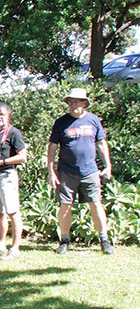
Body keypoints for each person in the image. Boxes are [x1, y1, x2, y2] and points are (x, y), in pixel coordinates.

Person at [47, 88, 115, 255]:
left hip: (90, 171)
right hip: (66, 173)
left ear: (84, 103)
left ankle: (104, 240)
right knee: (65, 206)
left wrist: (108, 165)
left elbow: (101, 144)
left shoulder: (93, 120)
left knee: (95, 204)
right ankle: (64, 240)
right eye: (70, 101)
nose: (72, 104)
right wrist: (51, 171)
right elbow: (52, 148)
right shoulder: (61, 122)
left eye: (76, 101)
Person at [0, 102, 27, 259]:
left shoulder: (14, 133)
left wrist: (2, 162)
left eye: (1, 114)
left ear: (9, 115)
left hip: (7, 175)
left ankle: (15, 248)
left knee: (13, 212)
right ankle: (1, 245)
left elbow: (23, 156)